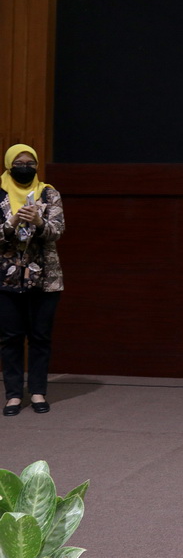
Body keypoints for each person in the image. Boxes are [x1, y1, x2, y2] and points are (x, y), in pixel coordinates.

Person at [1, 144, 65, 417]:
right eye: (19, 163)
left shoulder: (49, 193)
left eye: (30, 163)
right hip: (6, 279)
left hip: (44, 279)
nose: (25, 168)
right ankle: (14, 395)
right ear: (9, 165)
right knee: (10, 338)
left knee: (40, 337)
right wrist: (12, 221)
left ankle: (38, 391)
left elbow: (57, 230)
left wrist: (39, 222)